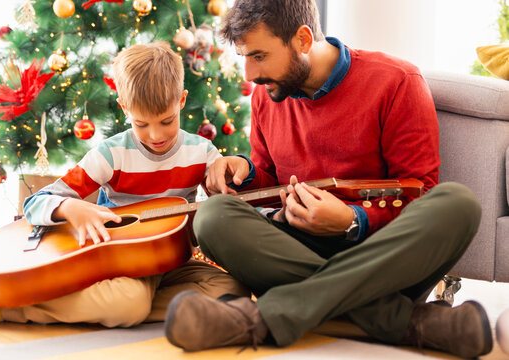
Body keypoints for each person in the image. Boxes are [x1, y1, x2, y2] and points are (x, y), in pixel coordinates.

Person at [163, 1, 492, 358]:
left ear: (303, 39)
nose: (248, 73)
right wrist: (245, 172)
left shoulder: (397, 81)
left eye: (258, 55)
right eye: (244, 56)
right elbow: (271, 181)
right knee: (213, 216)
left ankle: (261, 318)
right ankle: (409, 323)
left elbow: (419, 193)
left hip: (383, 257)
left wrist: (353, 222)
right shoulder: (267, 94)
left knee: (457, 204)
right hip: (298, 249)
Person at [0, 42, 249, 330]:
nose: (155, 135)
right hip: (121, 263)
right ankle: (4, 308)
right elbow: (35, 203)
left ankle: (115, 304)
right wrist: (70, 207)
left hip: (171, 262)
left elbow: (226, 197)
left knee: (230, 290)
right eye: (141, 124)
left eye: (167, 121)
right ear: (124, 108)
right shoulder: (111, 154)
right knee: (129, 304)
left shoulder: (202, 152)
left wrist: (227, 175)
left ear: (181, 100)